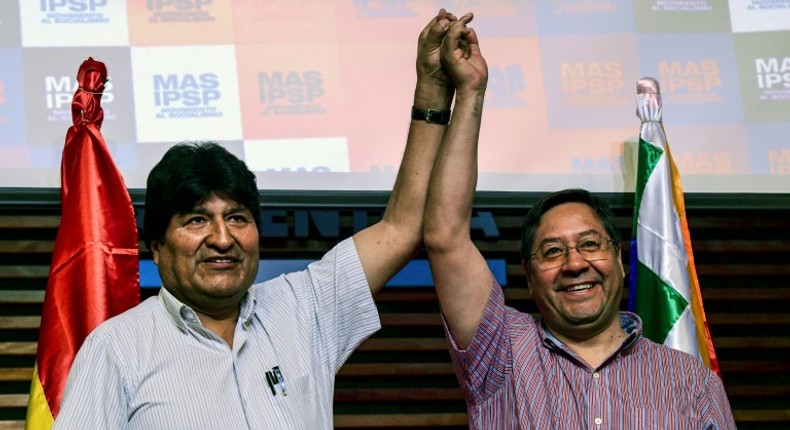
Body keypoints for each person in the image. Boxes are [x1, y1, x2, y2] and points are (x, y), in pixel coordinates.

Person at [53, 9, 470, 429]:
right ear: (156, 247)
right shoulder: (117, 349)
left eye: (237, 217)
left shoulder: (304, 308)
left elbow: (401, 228)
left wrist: (433, 89)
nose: (222, 238)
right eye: (197, 220)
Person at [422, 17, 738, 430]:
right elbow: (444, 236)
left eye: (590, 244)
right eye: (552, 251)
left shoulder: (689, 381)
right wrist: (470, 93)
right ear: (530, 277)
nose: (574, 263)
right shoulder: (502, 352)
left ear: (620, 260)